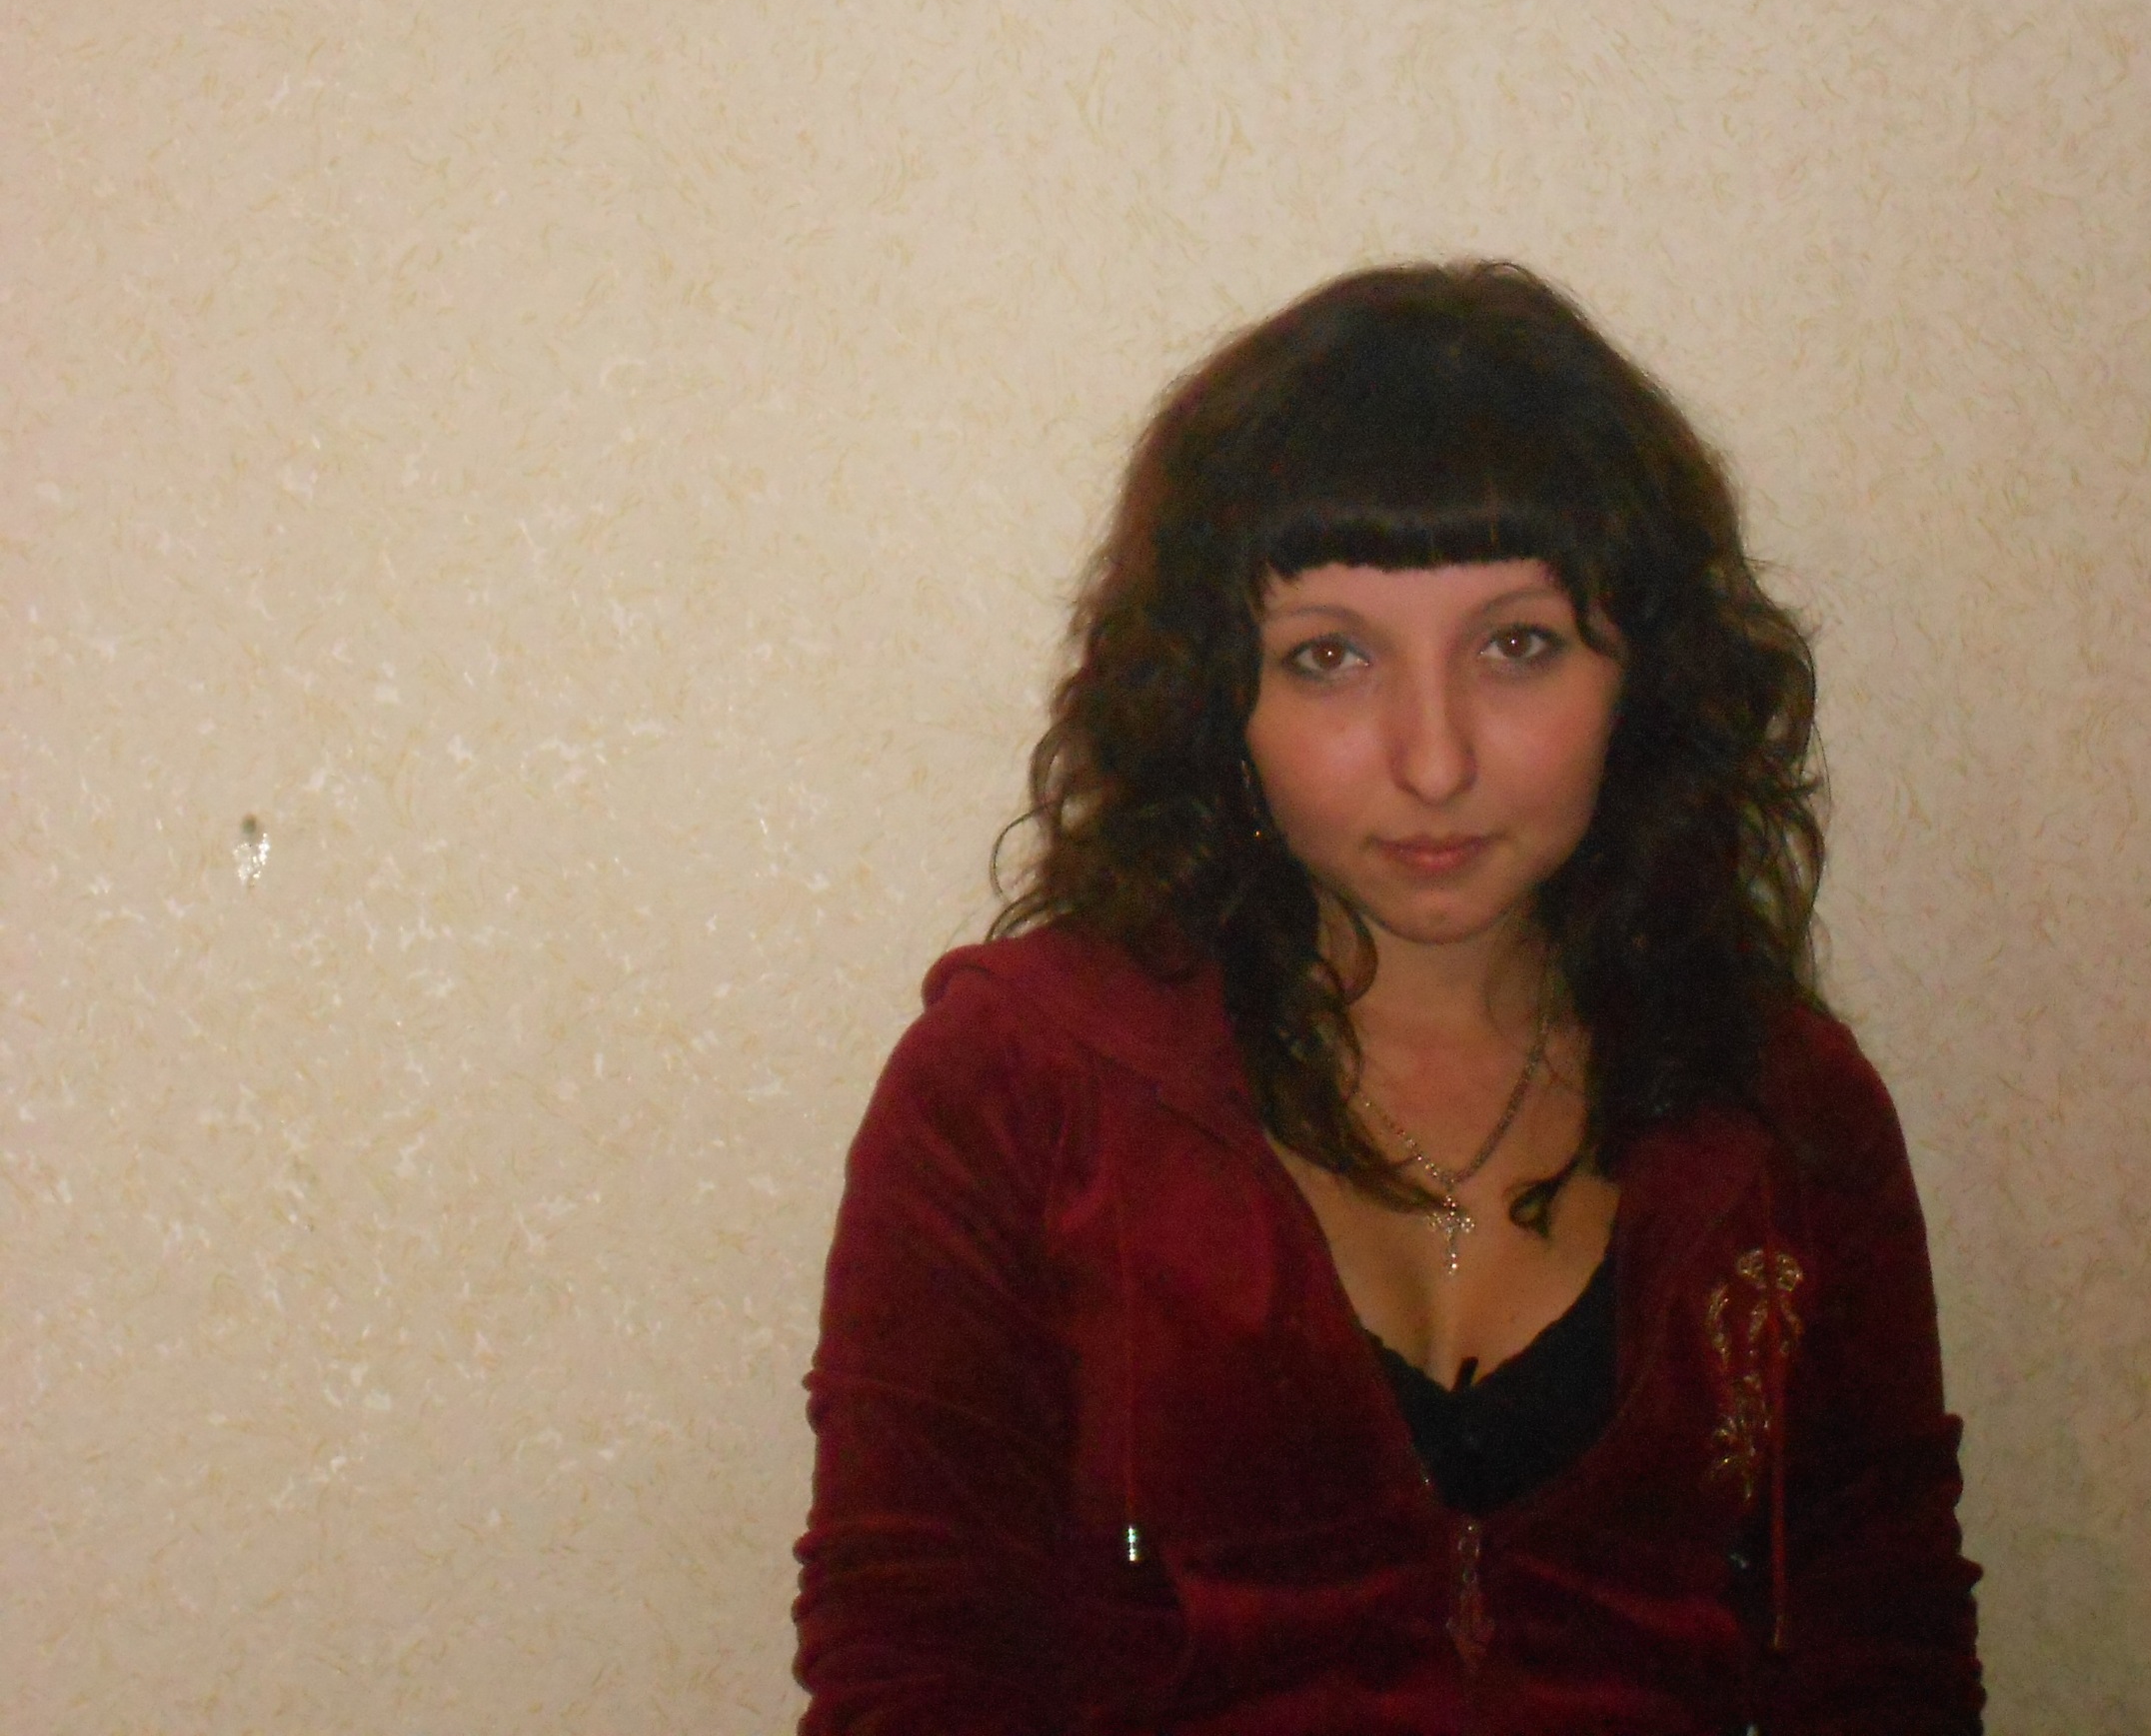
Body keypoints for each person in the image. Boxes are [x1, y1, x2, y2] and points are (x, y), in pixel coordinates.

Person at [793, 262, 1983, 1733]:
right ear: (1218, 698)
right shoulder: (1018, 1086)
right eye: (1332, 657)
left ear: (1645, 679)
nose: (1434, 760)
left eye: (1518, 645)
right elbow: (911, 1656)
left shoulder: (1785, 1108)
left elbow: (1885, 1642)